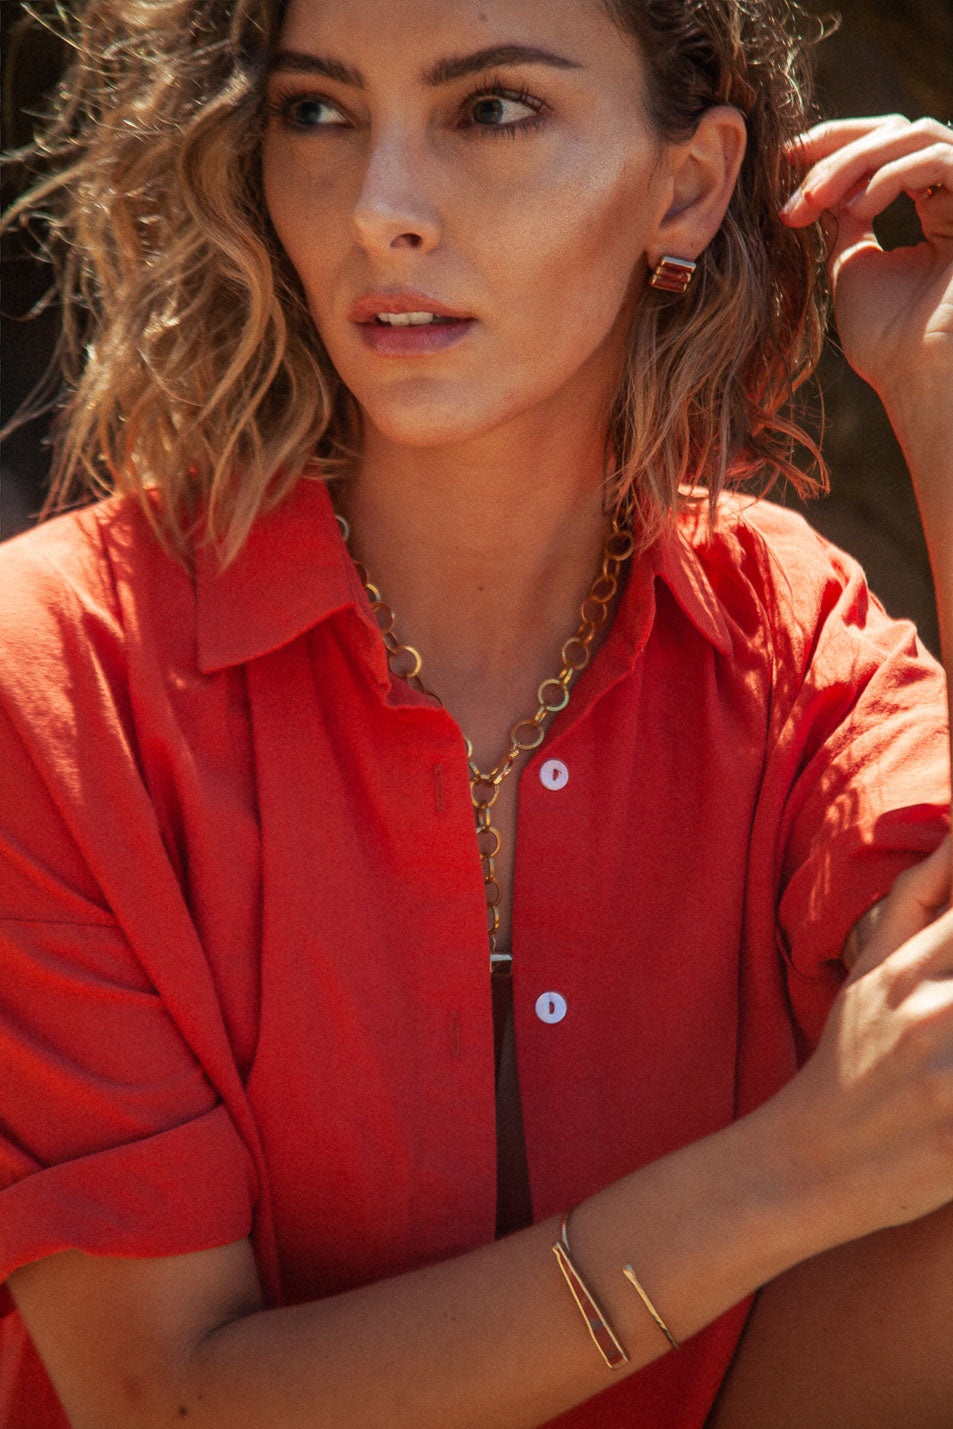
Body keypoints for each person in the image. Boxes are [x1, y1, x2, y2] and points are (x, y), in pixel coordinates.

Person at [0, 0, 951, 1425]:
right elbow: (162, 1399)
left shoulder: (787, 632)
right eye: (318, 111)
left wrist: (941, 387)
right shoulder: (61, 671)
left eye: (489, 108)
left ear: (684, 186)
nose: (380, 210)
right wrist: (794, 1168)